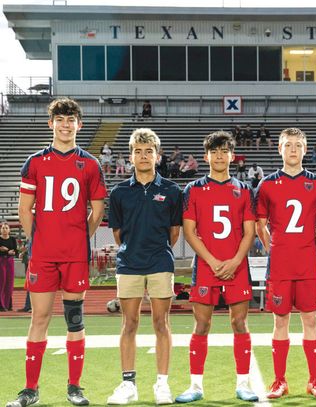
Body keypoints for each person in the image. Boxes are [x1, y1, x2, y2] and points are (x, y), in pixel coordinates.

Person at [9, 97, 106, 407]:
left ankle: (74, 387)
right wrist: (37, 239)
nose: (66, 125)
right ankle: (30, 389)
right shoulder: (35, 162)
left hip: (75, 255)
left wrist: (80, 238)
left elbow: (98, 209)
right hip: (44, 254)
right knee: (39, 317)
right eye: (60, 120)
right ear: (50, 124)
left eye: (71, 120)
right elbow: (26, 210)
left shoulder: (90, 163)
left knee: (75, 318)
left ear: (79, 124)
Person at [176, 131, 258, 403]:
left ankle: (243, 383)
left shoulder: (244, 189)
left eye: (225, 151)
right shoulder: (193, 189)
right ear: (206, 156)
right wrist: (212, 261)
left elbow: (249, 232)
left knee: (239, 323)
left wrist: (234, 261)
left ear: (232, 156)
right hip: (206, 267)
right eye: (215, 151)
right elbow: (190, 231)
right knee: (201, 324)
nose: (220, 156)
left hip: (237, 268)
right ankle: (196, 386)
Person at [255, 128, 316, 399]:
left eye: (298, 145)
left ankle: (315, 380)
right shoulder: (266, 185)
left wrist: (310, 247)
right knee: (280, 321)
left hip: (307, 266)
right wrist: (273, 248)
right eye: (288, 145)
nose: (293, 150)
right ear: (279, 149)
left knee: (310, 320)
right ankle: (279, 381)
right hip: (279, 266)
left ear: (304, 149)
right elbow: (260, 224)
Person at [107, 128, 182, 405]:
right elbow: (118, 234)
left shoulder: (172, 190)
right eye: (138, 151)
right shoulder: (119, 192)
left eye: (148, 151)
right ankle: (128, 384)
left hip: (160, 262)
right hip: (129, 264)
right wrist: (135, 248)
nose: (143, 156)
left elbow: (174, 233)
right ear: (131, 156)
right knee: (130, 323)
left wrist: (154, 249)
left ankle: (162, 384)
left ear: (157, 155)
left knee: (161, 323)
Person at [0, 221, 18, 311]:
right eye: (3, 228)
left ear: (9, 230)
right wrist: (5, 251)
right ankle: (1, 305)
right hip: (1, 261)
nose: (4, 230)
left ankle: (8, 304)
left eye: (6, 228)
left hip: (10, 261)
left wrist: (12, 252)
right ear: (0, 229)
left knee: (9, 283)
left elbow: (15, 251)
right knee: (1, 282)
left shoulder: (12, 239)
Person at [17, 239, 32, 312]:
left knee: (33, 284)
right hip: (28, 262)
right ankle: (28, 306)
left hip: (35, 262)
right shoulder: (28, 238)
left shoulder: (36, 235)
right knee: (30, 284)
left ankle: (31, 306)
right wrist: (23, 252)